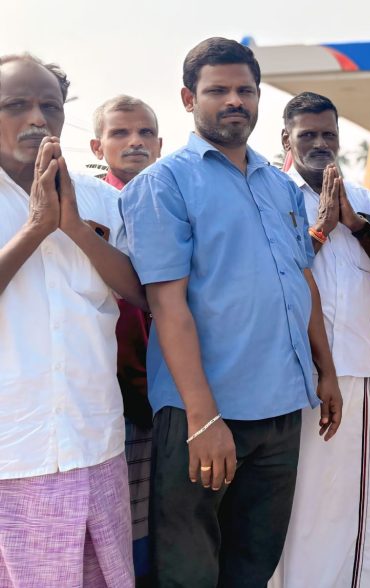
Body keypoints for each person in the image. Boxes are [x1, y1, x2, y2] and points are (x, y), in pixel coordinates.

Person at [120, 38, 343, 586]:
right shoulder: (163, 185)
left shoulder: (279, 186)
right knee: (190, 571)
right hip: (205, 412)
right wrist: (203, 419)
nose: (234, 101)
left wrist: (326, 370)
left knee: (253, 565)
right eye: (217, 90)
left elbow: (302, 280)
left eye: (245, 90)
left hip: (281, 407)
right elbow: (167, 306)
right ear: (188, 98)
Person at [0, 53, 146, 587]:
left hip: (94, 438)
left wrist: (77, 231)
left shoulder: (100, 199)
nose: (37, 119)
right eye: (16, 105)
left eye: (51, 107)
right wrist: (37, 228)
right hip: (14, 452)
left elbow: (141, 293)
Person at [270, 92, 370, 587]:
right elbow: (275, 277)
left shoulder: (364, 201)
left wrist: (355, 226)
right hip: (291, 377)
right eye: (308, 135)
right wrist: (320, 230)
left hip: (356, 373)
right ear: (286, 139)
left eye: (329, 135)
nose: (320, 143)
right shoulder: (269, 196)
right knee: (295, 500)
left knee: (353, 501)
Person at [90, 94, 162, 584]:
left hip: (175, 390)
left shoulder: (171, 203)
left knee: (166, 518)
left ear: (160, 144)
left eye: (144, 133)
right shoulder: (89, 208)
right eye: (119, 133)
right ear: (98, 146)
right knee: (127, 529)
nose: (134, 141)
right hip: (117, 396)